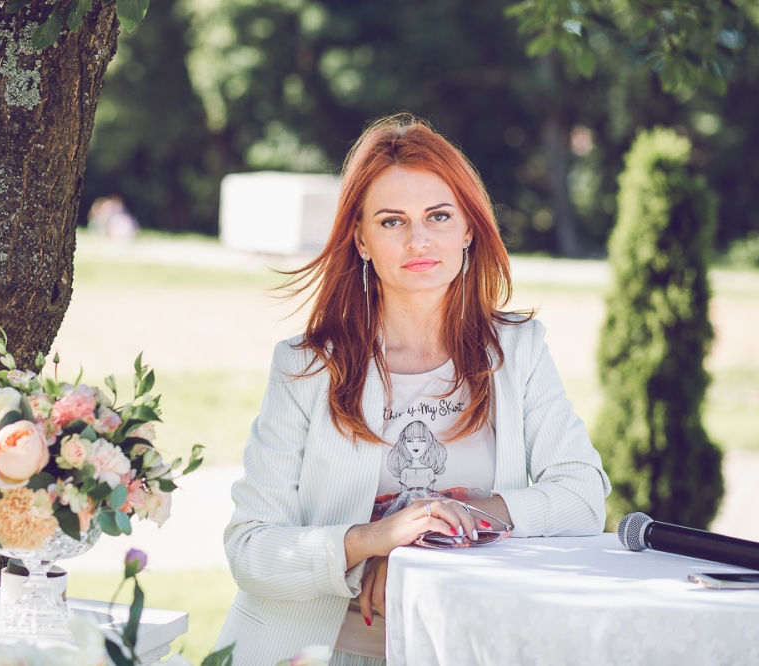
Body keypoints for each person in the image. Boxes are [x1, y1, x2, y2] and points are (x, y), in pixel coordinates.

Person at [214, 114, 611, 665]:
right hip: (317, 651)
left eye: (438, 216)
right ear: (361, 239)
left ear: (468, 229)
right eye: (392, 221)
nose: (419, 239)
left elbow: (582, 499)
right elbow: (251, 548)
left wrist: (433, 531)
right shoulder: (306, 366)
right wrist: (376, 539)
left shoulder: (518, 350)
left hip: (464, 650)